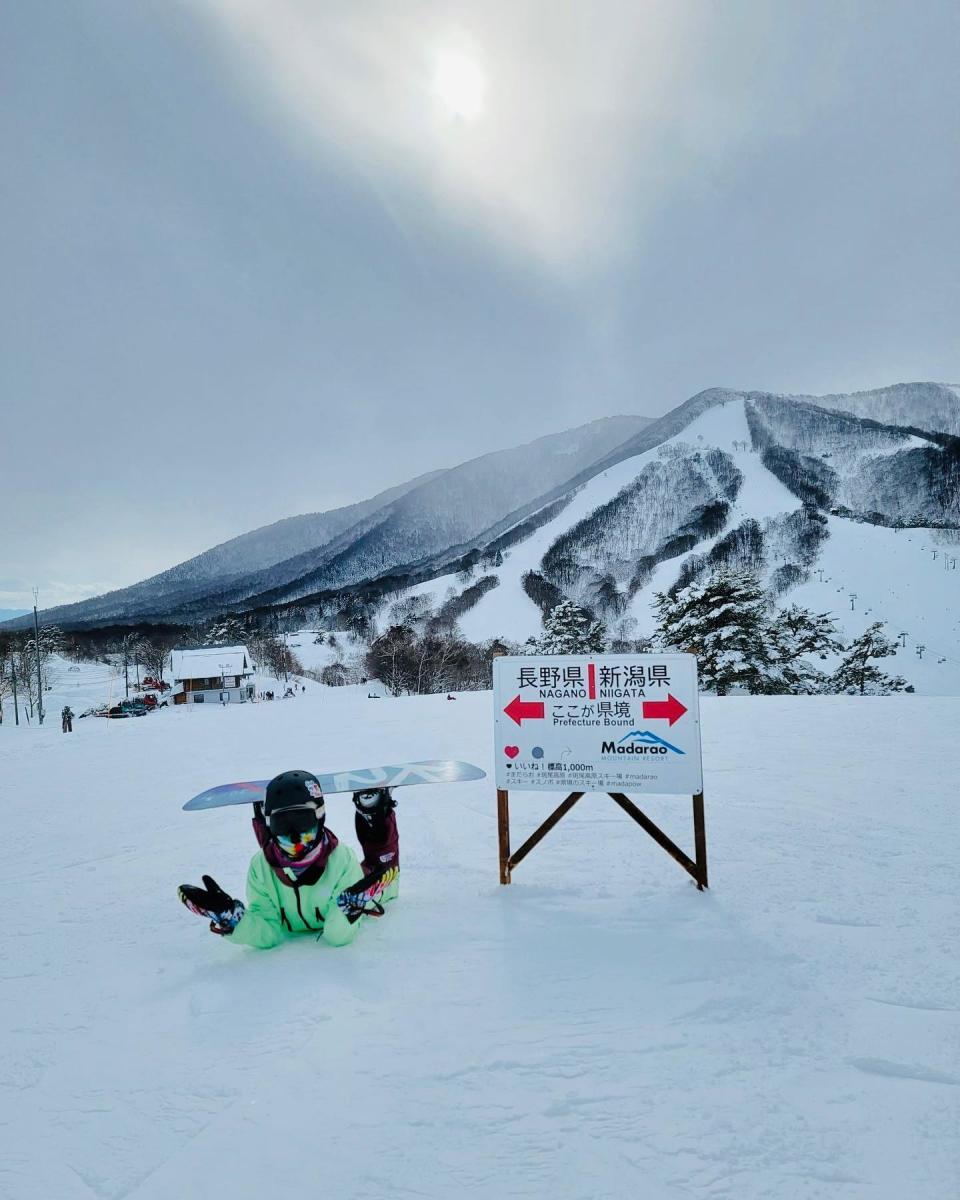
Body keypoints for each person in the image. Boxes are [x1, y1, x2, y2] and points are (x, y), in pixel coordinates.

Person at [177, 770, 399, 948]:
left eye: (302, 820)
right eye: (281, 824)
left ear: (320, 817)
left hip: (366, 889)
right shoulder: (260, 867)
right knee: (274, 857)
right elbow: (268, 932)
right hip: (282, 869)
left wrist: (348, 908)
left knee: (381, 872)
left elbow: (337, 936)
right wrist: (233, 920)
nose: (294, 836)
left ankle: (375, 811)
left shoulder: (341, 859)